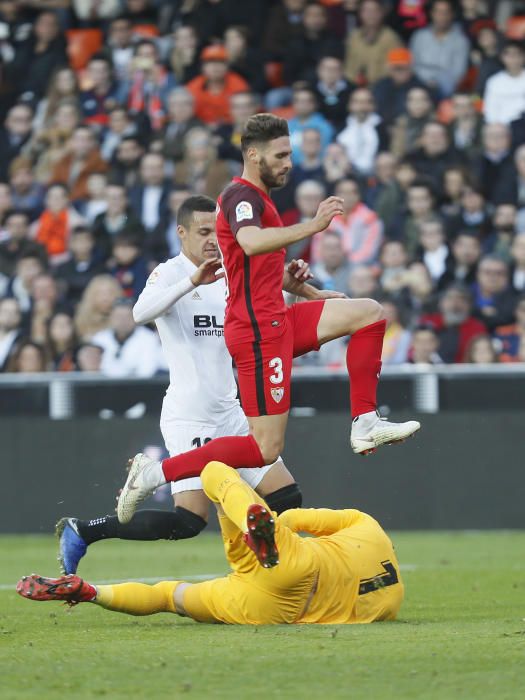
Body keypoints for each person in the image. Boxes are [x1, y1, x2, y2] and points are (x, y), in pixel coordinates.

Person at [116, 114, 420, 526]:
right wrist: (313, 225)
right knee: (264, 450)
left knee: (369, 313)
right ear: (253, 154)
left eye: (290, 154)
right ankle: (156, 473)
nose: (288, 162)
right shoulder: (241, 197)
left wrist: (307, 291)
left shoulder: (260, 199)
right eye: (280, 155)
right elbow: (250, 241)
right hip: (258, 334)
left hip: (276, 318)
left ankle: (365, 422)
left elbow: (249, 270)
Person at [56, 196, 303, 576]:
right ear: (181, 233)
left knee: (288, 497)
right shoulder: (169, 273)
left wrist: (289, 287)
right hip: (190, 417)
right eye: (203, 232)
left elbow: (263, 321)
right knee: (188, 522)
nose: (212, 241)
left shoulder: (230, 274)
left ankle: (282, 575)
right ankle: (83, 531)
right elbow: (140, 313)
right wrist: (192, 281)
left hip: (230, 412)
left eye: (217, 233)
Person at [18, 461, 404, 626]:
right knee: (170, 597)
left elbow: (294, 518)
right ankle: (89, 593)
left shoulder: (364, 526)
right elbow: (376, 611)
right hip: (273, 608)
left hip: (294, 563)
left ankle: (255, 526)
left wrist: (261, 526)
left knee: (216, 472)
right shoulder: (392, 600)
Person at [409, 0, 470, 97]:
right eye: (438, 12)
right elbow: (412, 64)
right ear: (432, 14)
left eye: (446, 12)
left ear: (452, 15)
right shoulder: (420, 36)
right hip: (419, 85)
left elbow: (458, 73)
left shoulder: (461, 41)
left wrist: (438, 82)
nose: (442, 17)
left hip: (445, 89)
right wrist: (426, 80)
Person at [92, 298, 161, 378]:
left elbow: (146, 372)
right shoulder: (99, 339)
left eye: (127, 316)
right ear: (111, 318)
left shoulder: (149, 338)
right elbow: (93, 371)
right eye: (118, 317)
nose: (123, 321)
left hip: (136, 387)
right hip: (103, 386)